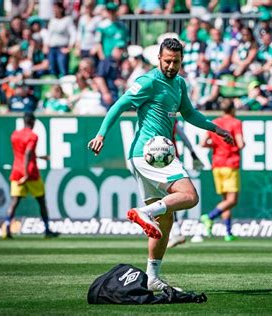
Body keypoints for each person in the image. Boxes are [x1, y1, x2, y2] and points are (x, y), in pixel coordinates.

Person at [87, 38, 233, 291]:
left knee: (166, 220)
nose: (171, 65)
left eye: (176, 61)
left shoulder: (178, 84)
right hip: (151, 152)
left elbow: (189, 114)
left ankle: (152, 277)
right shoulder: (148, 81)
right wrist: (101, 134)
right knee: (189, 195)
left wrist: (216, 128)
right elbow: (119, 105)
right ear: (159, 59)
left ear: (181, 61)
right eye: (167, 61)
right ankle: (145, 213)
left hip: (153, 157)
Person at [3, 112, 59, 239]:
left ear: (23, 121)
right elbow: (28, 153)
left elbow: (23, 154)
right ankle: (47, 230)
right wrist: (27, 174)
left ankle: (6, 228)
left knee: (14, 202)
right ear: (33, 122)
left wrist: (40, 157)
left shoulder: (15, 135)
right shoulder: (33, 136)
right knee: (41, 202)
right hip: (31, 172)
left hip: (17, 171)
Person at [200, 98, 244, 241]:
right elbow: (241, 144)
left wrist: (216, 145)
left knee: (225, 200)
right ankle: (209, 216)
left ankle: (228, 233)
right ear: (233, 109)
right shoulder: (235, 122)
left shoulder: (215, 122)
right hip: (230, 164)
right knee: (232, 200)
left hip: (217, 165)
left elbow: (203, 143)